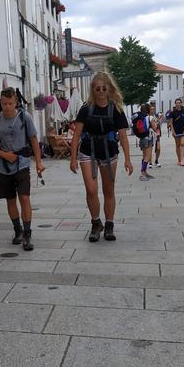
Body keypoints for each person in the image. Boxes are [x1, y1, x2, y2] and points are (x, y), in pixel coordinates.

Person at [69, 71, 133, 242]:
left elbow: (123, 136)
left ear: (109, 89)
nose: (101, 92)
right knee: (91, 190)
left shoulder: (116, 109)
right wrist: (73, 158)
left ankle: (109, 225)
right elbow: (76, 135)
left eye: (104, 88)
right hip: (87, 151)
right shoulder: (85, 108)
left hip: (109, 152)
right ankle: (96, 223)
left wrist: (128, 159)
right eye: (97, 89)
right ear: (92, 89)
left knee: (108, 190)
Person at [0, 87, 45, 251]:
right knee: (10, 200)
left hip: (22, 163)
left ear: (16, 102)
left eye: (10, 103)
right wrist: (3, 155)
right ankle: (17, 230)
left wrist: (39, 162)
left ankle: (27, 234)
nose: (7, 107)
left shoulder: (25, 117)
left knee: (24, 198)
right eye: (4, 103)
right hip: (3, 167)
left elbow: (33, 140)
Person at [136, 103, 157, 181]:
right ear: (148, 110)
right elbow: (155, 128)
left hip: (142, 138)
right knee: (147, 157)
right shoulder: (150, 117)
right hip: (148, 139)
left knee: (144, 157)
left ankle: (145, 172)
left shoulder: (141, 117)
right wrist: (156, 122)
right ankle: (142, 174)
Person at [170, 98, 184, 166]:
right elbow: (171, 123)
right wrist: (173, 131)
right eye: (177, 103)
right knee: (178, 145)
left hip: (183, 130)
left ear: (181, 103)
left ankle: (182, 160)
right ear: (175, 104)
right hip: (176, 130)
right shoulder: (172, 112)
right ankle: (179, 159)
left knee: (182, 144)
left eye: (179, 103)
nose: (178, 104)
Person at [149, 101, 162, 167]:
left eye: (153, 109)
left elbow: (160, 122)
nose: (152, 110)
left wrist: (159, 119)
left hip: (157, 133)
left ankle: (156, 160)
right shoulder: (148, 116)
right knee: (150, 148)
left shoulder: (156, 115)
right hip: (150, 134)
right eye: (151, 109)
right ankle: (150, 162)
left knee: (158, 148)